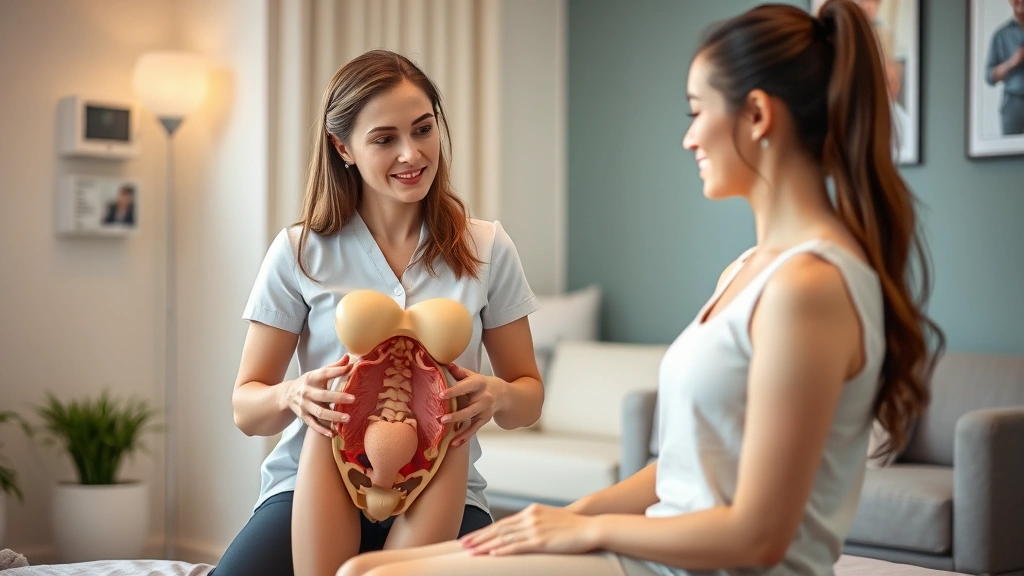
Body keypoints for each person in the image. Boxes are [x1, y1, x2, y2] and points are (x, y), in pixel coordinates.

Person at [339, 2, 944, 575]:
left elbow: (762, 534)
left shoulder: (810, 287)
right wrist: (562, 517)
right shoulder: (747, 272)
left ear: (757, 116)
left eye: (695, 110)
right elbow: (677, 472)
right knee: (363, 567)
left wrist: (592, 532)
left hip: (697, 566)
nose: (689, 138)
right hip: (657, 555)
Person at [211, 49, 544, 576]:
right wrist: (292, 395)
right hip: (310, 483)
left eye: (423, 129)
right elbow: (246, 409)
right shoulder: (301, 251)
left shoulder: (487, 247)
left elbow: (528, 399)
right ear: (343, 147)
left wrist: (499, 393)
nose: (412, 154)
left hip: (442, 483)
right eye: (385, 139)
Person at [985, 0, 1024, 135]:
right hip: (1012, 102)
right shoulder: (1001, 35)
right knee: (1009, 151)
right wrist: (1012, 62)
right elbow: (989, 76)